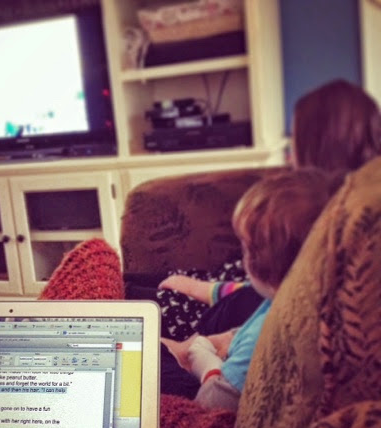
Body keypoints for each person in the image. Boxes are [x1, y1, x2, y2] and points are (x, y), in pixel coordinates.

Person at [155, 78, 381, 342]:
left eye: (295, 140)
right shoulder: (339, 201)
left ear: (319, 146)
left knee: (154, 299)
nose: (290, 155)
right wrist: (202, 287)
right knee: (153, 284)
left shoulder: (321, 217)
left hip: (225, 314)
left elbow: (269, 292)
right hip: (235, 291)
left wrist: (203, 296)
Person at [161, 168, 343, 409]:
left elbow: (212, 403)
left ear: (261, 265)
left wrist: (206, 365)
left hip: (209, 394)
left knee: (155, 360)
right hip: (215, 350)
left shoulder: (269, 333)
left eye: (246, 248)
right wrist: (229, 337)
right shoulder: (288, 302)